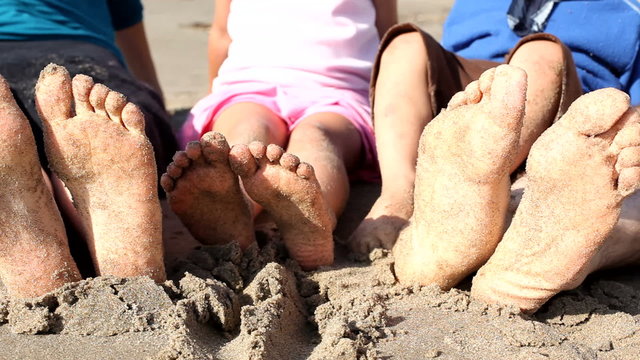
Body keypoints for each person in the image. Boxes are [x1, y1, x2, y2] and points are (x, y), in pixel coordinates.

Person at [350, 0, 640, 254]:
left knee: (539, 56)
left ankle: (468, 190)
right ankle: (399, 195)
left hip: (569, 103)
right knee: (405, 45)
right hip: (473, 92)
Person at [162, 0, 397, 270]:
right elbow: (222, 33)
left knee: (314, 138)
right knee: (256, 135)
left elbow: (387, 37)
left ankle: (308, 216)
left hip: (337, 90)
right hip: (253, 84)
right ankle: (236, 208)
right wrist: (218, 95)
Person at [391, 63, 640, 313]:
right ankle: (561, 243)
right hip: (548, 92)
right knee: (593, 174)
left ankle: (475, 230)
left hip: (522, 87)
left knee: (579, 172)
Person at [0, 0, 177, 298]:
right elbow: (136, 49)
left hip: (65, 48)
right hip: (81, 52)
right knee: (111, 126)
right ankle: (117, 254)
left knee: (19, 162)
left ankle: (35, 236)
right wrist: (158, 113)